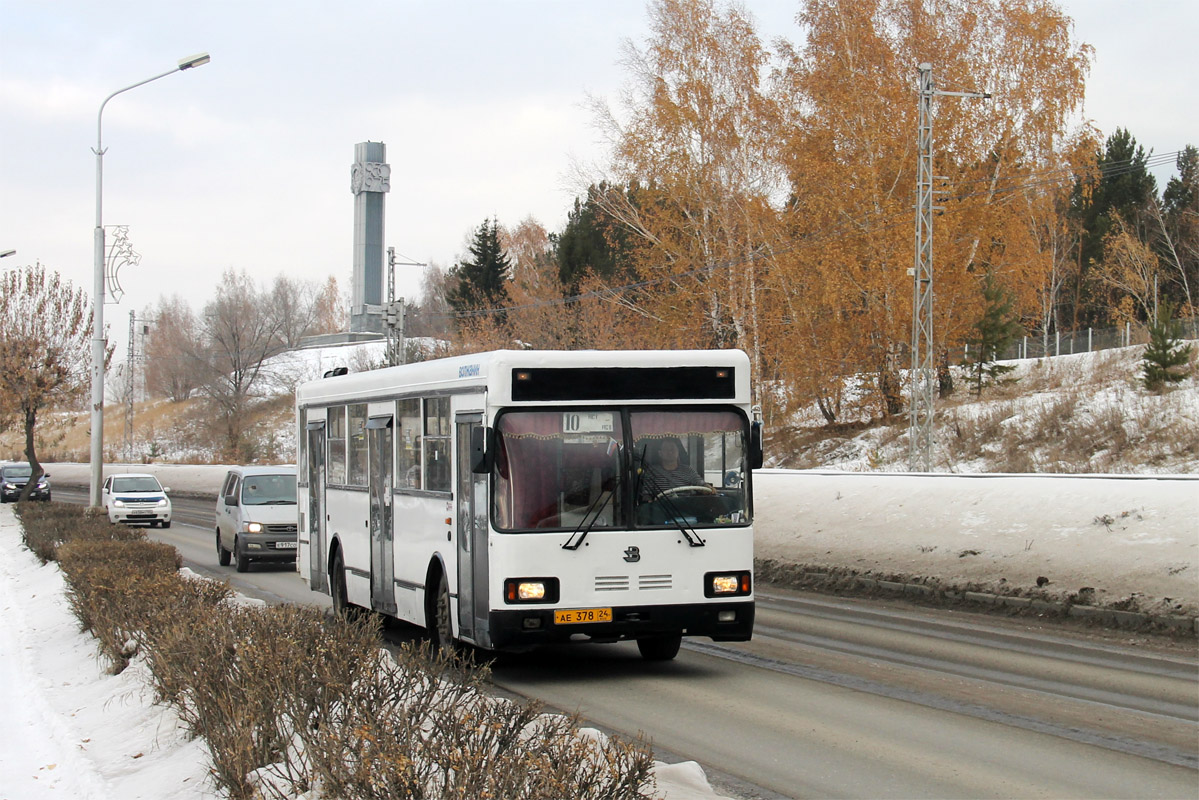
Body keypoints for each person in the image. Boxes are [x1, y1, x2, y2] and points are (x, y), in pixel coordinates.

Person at [640, 439, 706, 498]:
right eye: (666, 449)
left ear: (678, 452)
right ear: (660, 453)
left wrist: (706, 487)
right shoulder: (652, 472)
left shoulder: (688, 471)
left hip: (685, 509)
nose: (670, 452)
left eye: (672, 449)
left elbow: (700, 483)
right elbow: (646, 495)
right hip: (661, 509)